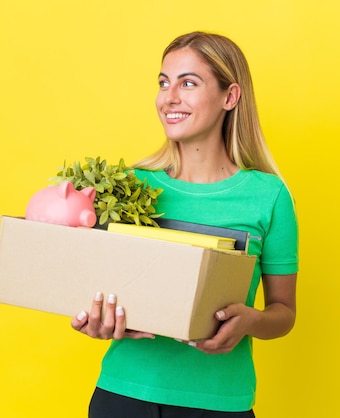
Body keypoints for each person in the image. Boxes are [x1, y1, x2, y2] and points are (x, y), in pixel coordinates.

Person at [71, 31, 299, 418]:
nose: (169, 98)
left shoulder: (268, 196)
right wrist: (93, 317)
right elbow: (92, 289)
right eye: (163, 83)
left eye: (188, 83)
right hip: (123, 397)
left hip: (219, 404)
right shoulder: (127, 187)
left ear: (230, 97)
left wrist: (251, 320)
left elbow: (284, 313)